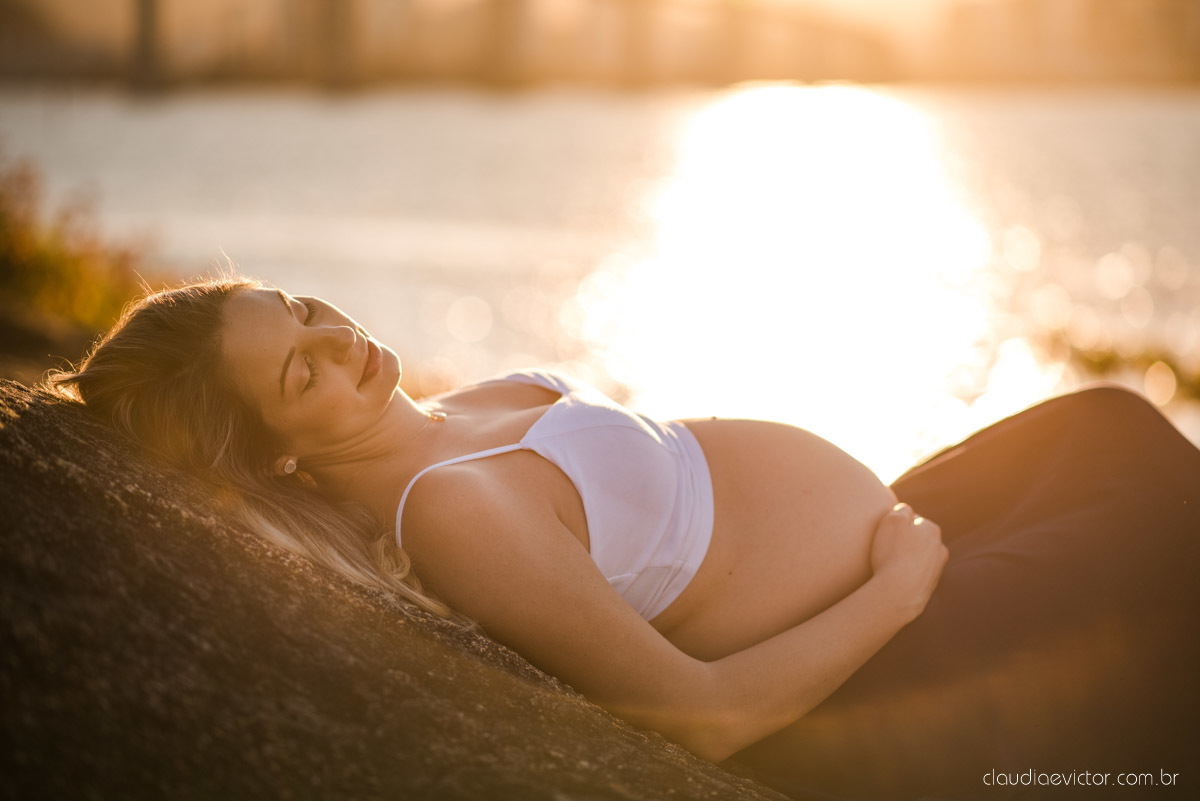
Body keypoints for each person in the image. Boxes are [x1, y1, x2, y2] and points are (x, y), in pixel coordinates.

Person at [50, 276, 1200, 800]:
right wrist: (892, 594)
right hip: (887, 656)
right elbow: (700, 719)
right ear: (279, 459)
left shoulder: (457, 409)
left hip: (892, 553)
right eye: (302, 372)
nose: (336, 339)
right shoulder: (450, 509)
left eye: (303, 310)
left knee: (1104, 423)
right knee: (1161, 517)